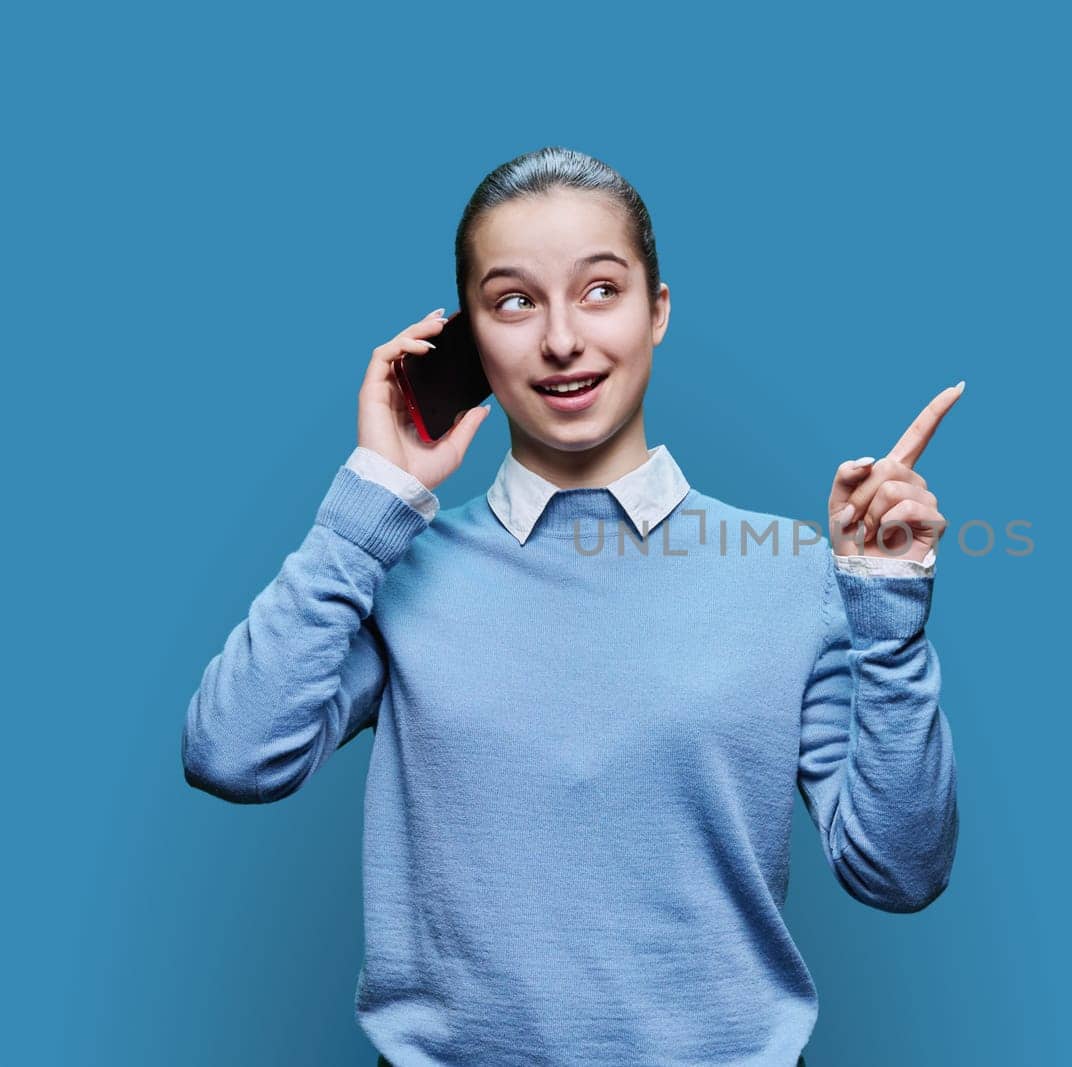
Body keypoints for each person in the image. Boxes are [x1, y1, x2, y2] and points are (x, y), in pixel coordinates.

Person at [182, 146, 961, 1066]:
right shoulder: (399, 567)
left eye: (601, 290)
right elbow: (232, 753)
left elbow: (901, 872)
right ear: (468, 337)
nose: (562, 339)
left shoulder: (792, 571)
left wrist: (889, 620)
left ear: (657, 310)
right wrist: (372, 496)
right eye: (514, 300)